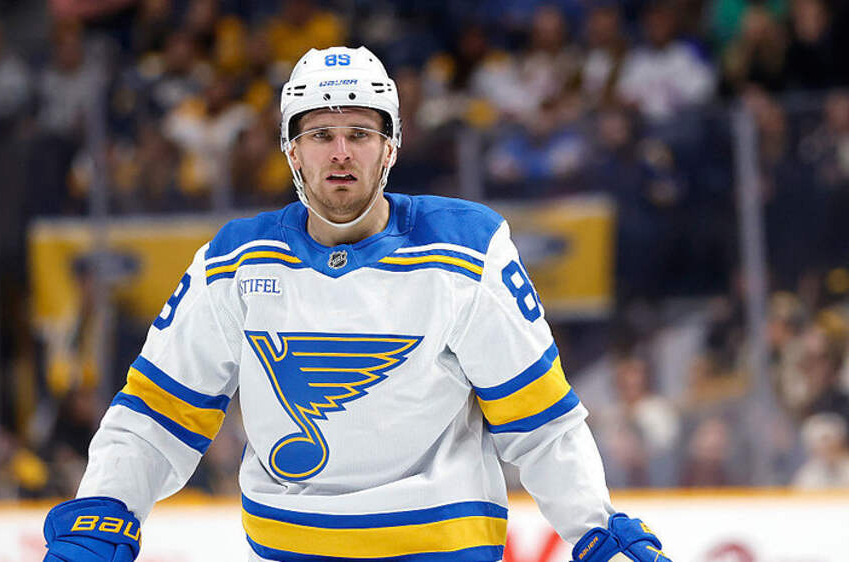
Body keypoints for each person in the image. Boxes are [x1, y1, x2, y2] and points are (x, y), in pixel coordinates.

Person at [41, 46, 672, 562]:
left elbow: (541, 424)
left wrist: (595, 528)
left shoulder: (467, 251)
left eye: (360, 134)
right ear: (292, 151)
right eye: (321, 134)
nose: (340, 152)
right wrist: (107, 507)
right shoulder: (234, 262)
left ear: (390, 148)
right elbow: (156, 414)